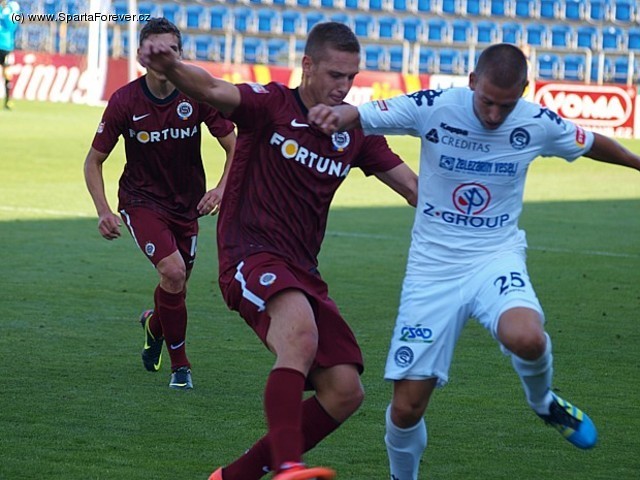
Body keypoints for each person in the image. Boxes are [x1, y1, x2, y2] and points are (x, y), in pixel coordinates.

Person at [308, 42, 640, 479]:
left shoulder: (536, 122)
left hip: (494, 257)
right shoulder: (436, 106)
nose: (495, 115)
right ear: (471, 83)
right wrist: (337, 115)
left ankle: (543, 402)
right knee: (406, 408)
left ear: (524, 90)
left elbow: (593, 142)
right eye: (486, 101)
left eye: (507, 104)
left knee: (527, 337)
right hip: (432, 270)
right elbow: (365, 113)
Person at [139, 21, 418, 480]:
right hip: (249, 255)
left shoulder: (355, 132)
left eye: (351, 77)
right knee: (300, 337)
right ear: (307, 65)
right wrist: (170, 66)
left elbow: (412, 188)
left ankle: (233, 477)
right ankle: (289, 465)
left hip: (302, 270)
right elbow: (212, 88)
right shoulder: (270, 106)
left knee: (345, 390)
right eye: (335, 75)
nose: (344, 86)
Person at [84, 17, 236, 390]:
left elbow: (236, 146)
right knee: (173, 272)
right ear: (141, 55)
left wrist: (221, 189)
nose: (162, 57)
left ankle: (154, 325)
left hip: (187, 205)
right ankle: (180, 368)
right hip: (141, 201)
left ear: (180, 54)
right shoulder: (125, 101)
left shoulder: (196, 95)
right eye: (154, 51)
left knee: (175, 287)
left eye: (170, 50)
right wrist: (103, 210)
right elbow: (94, 161)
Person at [0, 0, 19, 110]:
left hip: (5, 45)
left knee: (7, 72)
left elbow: (12, 25)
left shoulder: (12, 6)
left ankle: (7, 100)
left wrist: (5, 11)